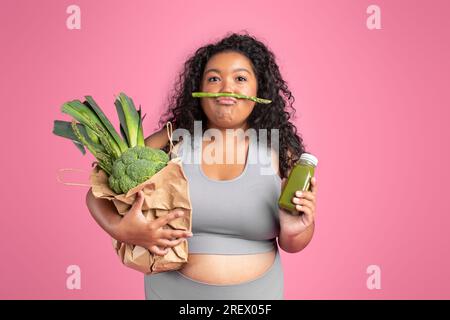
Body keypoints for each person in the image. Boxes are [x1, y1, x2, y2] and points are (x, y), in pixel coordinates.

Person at [86, 32, 318, 300]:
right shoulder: (173, 139)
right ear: (199, 88)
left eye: (240, 78)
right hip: (171, 293)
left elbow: (294, 244)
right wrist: (120, 228)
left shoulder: (281, 151)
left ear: (260, 90)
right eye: (214, 78)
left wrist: (294, 228)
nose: (225, 88)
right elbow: (97, 192)